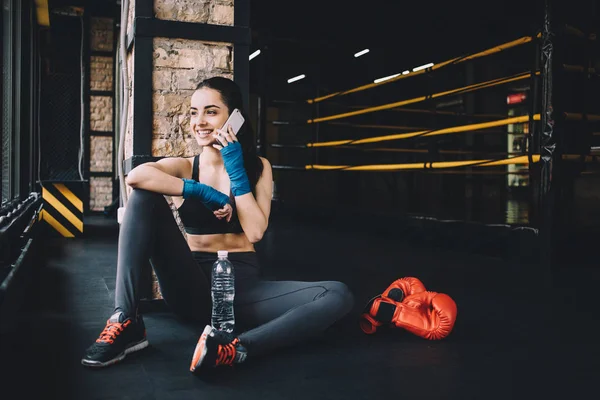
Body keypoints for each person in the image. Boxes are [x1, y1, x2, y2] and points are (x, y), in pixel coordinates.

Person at [81, 76, 354, 372]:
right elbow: (135, 177)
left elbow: (255, 231)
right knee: (143, 198)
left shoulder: (258, 167)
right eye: (194, 112)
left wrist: (236, 169)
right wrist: (200, 191)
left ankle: (236, 348)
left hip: (243, 291)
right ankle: (126, 320)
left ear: (234, 118)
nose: (200, 121)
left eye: (211, 112)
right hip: (191, 287)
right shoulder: (186, 166)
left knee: (337, 295)